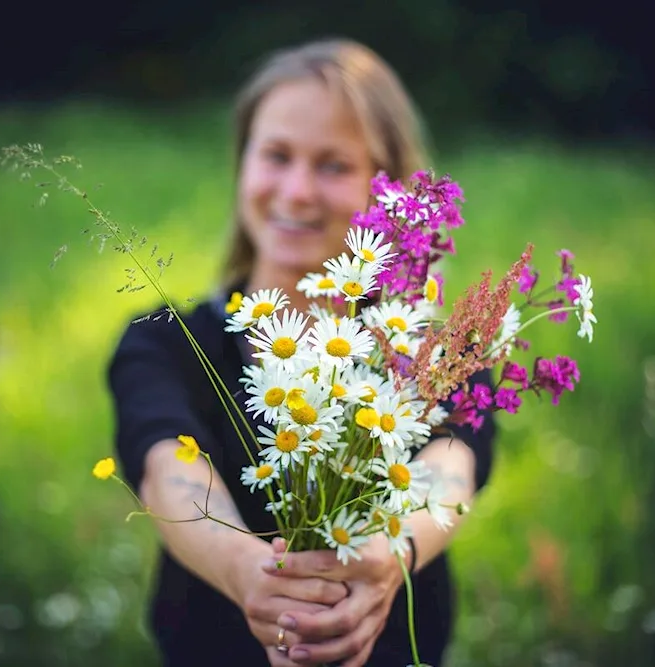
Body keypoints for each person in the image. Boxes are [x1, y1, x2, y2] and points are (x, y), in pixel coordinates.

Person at [108, 38, 497, 666]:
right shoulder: (166, 343)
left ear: (391, 192)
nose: (296, 190)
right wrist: (246, 570)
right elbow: (167, 468)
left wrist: (387, 556)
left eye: (334, 165)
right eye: (277, 155)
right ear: (243, 164)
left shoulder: (432, 350)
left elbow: (451, 467)